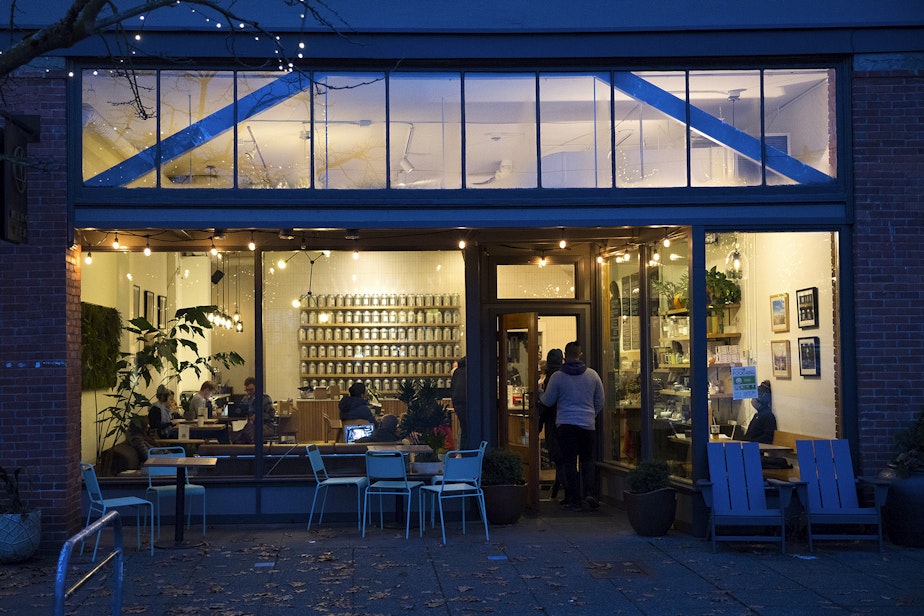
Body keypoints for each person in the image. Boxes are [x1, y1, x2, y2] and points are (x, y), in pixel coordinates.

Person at [539, 341, 605, 512]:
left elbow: (548, 401)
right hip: (587, 425)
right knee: (587, 460)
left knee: (569, 462)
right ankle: (589, 493)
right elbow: (600, 401)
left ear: (565, 357)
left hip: (566, 424)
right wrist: (591, 414)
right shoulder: (592, 375)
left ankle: (574, 498)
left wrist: (539, 393)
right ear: (580, 354)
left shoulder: (558, 377)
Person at [537, 349, 564, 500]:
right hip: (565, 421)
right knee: (566, 457)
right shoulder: (565, 375)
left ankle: (564, 489)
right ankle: (564, 490)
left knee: (558, 457)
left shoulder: (551, 378)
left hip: (553, 422)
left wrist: (540, 395)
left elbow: (548, 402)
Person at [744, 380, 777, 444]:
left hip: (756, 447)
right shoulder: (757, 415)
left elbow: (767, 437)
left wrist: (750, 442)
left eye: (754, 397)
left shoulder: (768, 416)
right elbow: (748, 434)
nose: (752, 400)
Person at [450, 356, 468, 449]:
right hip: (468, 403)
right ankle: (466, 453)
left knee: (464, 428)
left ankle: (462, 452)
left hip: (458, 404)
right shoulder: (471, 370)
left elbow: (452, 388)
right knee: (468, 430)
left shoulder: (457, 372)